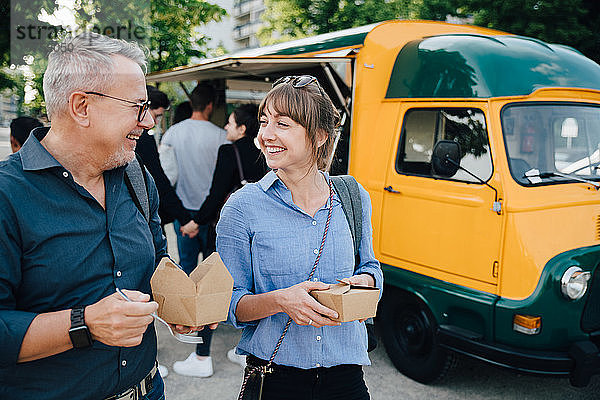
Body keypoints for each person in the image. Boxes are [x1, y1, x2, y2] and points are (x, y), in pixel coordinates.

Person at [0, 32, 210, 399]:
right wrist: (84, 324)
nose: (148, 122)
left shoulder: (137, 176)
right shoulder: (7, 195)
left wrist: (177, 303)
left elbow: (157, 260)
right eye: (137, 107)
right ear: (81, 107)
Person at [216, 75, 383, 400]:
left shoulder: (352, 196)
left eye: (283, 124)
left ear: (320, 135)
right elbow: (227, 304)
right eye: (264, 122)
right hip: (275, 379)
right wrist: (280, 300)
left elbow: (372, 267)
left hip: (346, 380)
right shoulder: (243, 206)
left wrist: (364, 283)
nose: (266, 135)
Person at [178, 104, 268, 373]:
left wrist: (195, 222)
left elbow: (216, 194)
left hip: (230, 233)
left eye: (230, 123)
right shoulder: (266, 153)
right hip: (260, 232)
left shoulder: (229, 152)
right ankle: (247, 351)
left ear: (241, 128)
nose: (226, 127)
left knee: (211, 289)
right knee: (254, 289)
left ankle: (202, 358)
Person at [159, 82, 227, 377]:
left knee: (186, 272)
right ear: (211, 105)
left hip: (183, 215)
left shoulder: (173, 133)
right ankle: (206, 339)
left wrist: (183, 218)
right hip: (212, 218)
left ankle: (186, 327)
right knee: (212, 277)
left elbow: (166, 176)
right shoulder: (221, 135)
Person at [136, 86, 192, 231]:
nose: (153, 122)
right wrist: (184, 218)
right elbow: (158, 181)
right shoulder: (143, 140)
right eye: (156, 115)